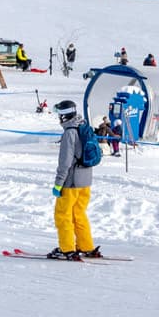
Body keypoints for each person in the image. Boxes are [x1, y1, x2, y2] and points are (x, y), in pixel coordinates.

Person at [49, 99, 104, 260]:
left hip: (71, 183)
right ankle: (86, 246)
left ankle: (67, 249)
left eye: (59, 114)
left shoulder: (69, 133)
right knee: (79, 214)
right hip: (86, 181)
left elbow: (65, 162)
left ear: (64, 116)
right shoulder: (83, 127)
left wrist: (58, 184)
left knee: (63, 215)